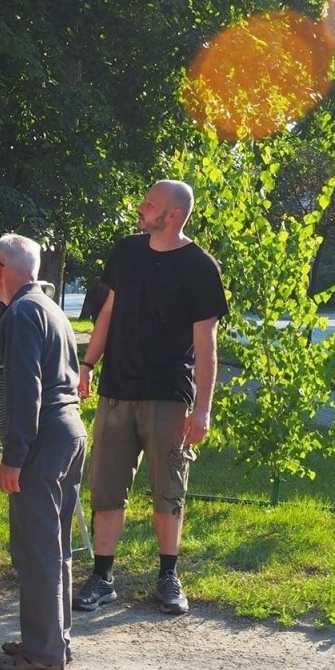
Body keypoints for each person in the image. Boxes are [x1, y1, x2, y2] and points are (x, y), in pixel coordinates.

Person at [74, 179, 228, 616]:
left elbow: (207, 345)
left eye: (150, 204)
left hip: (169, 396)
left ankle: (168, 576)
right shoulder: (126, 251)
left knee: (168, 491)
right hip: (117, 391)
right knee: (106, 488)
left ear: (173, 215)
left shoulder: (200, 267)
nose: (141, 209)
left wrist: (203, 409)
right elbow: (108, 311)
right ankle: (102, 577)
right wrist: (88, 365)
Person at [0, 235, 86, 670]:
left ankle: (44, 653)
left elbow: (27, 390)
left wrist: (14, 455)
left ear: (2, 266)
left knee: (35, 548)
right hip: (68, 431)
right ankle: (52, 639)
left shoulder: (22, 312)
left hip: (42, 438)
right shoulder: (50, 307)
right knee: (54, 545)